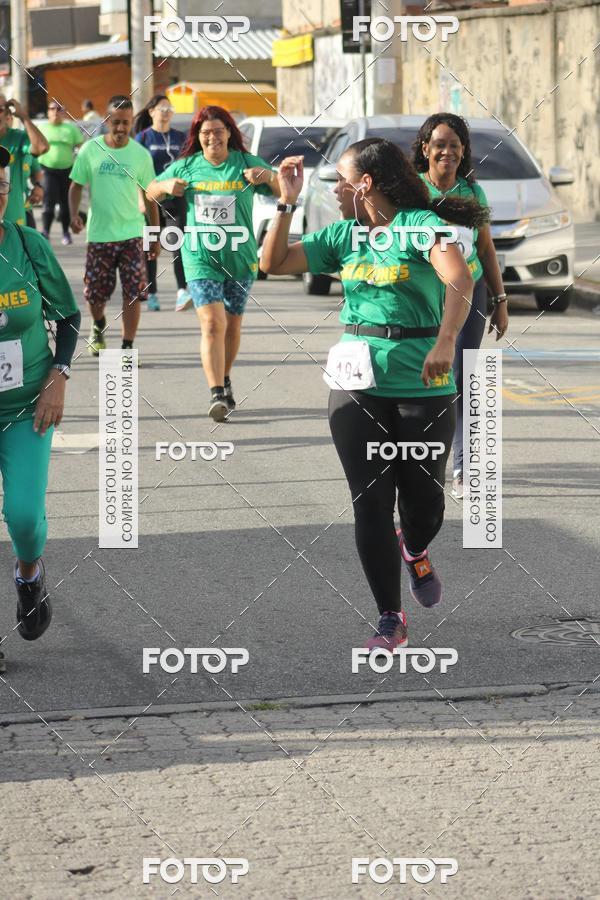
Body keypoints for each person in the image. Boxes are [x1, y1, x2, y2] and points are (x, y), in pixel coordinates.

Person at [261, 140, 488, 651]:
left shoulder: (418, 226)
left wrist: (446, 341)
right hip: (356, 384)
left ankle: (416, 549)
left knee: (424, 504)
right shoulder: (342, 235)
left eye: (340, 181)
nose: (335, 191)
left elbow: (459, 277)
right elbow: (273, 262)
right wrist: (285, 202)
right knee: (370, 503)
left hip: (422, 382)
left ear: (364, 184)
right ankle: (391, 618)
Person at [0, 145, 81, 673]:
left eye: (0, 187)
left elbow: (68, 317)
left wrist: (59, 375)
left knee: (25, 518)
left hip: (26, 406)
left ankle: (29, 576)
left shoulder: (28, 246)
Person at [146, 105, 280, 421]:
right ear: (198, 136)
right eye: (205, 132)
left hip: (239, 257)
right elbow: (150, 191)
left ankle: (225, 376)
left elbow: (282, 189)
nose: (212, 138)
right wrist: (165, 187)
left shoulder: (245, 163)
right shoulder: (187, 166)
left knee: (232, 325)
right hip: (199, 258)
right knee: (211, 324)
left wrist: (267, 177)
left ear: (229, 133)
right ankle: (216, 392)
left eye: (218, 131)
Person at [412, 113, 509, 498]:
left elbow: (485, 248)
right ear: (425, 148)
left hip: (469, 293)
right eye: (439, 145)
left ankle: (464, 468)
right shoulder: (412, 191)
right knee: (427, 378)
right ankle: (424, 459)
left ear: (464, 150)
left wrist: (500, 300)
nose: (447, 152)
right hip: (424, 295)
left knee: (464, 378)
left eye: (454, 145)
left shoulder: (472, 192)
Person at [68, 96, 160, 356]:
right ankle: (98, 324)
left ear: (132, 122)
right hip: (99, 235)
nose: (121, 128)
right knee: (94, 296)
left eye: (126, 123)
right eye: (116, 122)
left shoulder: (140, 155)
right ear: (107, 120)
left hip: (132, 235)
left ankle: (127, 347)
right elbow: (76, 185)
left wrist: (154, 235)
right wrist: (74, 215)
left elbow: (150, 196)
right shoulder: (90, 150)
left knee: (133, 293)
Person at [133, 94, 189, 311]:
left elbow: (187, 166)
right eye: (162, 109)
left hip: (175, 198)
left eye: (169, 109)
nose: (166, 113)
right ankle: (152, 293)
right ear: (151, 112)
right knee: (150, 246)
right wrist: (140, 199)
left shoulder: (180, 137)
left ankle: (182, 291)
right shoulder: (143, 138)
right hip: (151, 199)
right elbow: (135, 173)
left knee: (177, 244)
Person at [38, 101, 83, 244]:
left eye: (59, 109)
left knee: (65, 203)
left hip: (67, 170)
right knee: (48, 202)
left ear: (64, 112)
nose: (55, 112)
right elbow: (34, 146)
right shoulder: (42, 128)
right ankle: (45, 232)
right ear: (48, 111)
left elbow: (81, 147)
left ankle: (65, 233)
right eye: (52, 108)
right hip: (47, 169)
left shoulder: (70, 129)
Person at [0, 95, 48, 225]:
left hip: (13, 221)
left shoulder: (18, 138)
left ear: (7, 114)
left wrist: (23, 116)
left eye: (0, 110)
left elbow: (41, 147)